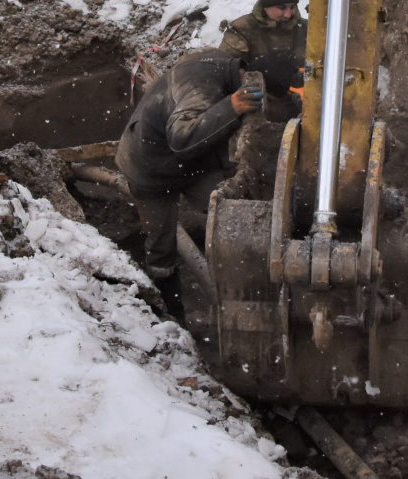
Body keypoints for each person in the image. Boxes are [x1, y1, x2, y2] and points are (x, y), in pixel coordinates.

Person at [115, 45, 302, 309]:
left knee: (232, 215)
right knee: (161, 245)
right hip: (149, 166)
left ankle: (242, 290)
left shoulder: (229, 67)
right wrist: (231, 107)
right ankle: (169, 311)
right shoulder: (204, 86)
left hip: (194, 165)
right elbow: (181, 139)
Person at [219, 0, 307, 67]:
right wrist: (260, 73)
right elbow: (224, 69)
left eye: (292, 7)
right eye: (282, 8)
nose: (288, 14)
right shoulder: (241, 30)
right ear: (266, 6)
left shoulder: (308, 29)